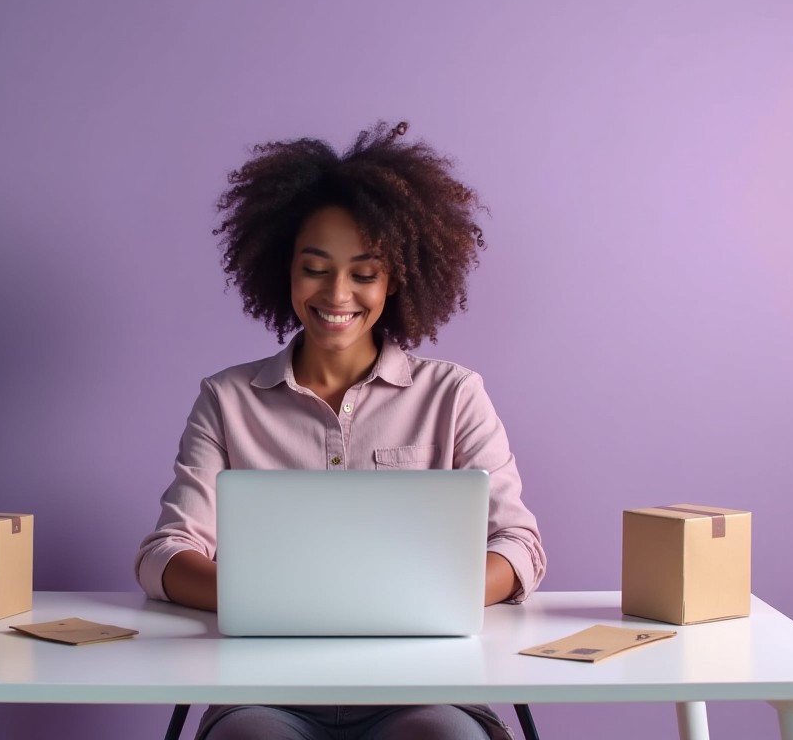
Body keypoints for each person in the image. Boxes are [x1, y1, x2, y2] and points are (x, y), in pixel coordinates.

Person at [135, 121, 546, 740]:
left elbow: (519, 547)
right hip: (263, 693)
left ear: (397, 278)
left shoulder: (454, 394)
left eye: (364, 272)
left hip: (425, 687)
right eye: (316, 268)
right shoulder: (227, 400)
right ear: (285, 271)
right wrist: (275, 601)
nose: (338, 293)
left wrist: (416, 600)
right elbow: (164, 556)